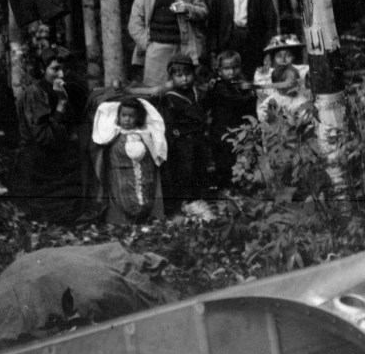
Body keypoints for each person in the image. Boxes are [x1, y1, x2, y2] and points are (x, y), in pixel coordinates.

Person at [12, 45, 86, 223]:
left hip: (60, 160)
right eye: (55, 69)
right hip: (39, 164)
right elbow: (44, 137)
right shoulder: (35, 94)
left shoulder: (65, 89)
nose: (61, 74)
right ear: (42, 69)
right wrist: (61, 105)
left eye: (65, 69)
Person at [91, 96, 166, 225]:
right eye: (124, 115)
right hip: (120, 175)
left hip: (143, 173)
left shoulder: (144, 134)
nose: (127, 119)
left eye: (131, 116)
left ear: (138, 117)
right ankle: (124, 219)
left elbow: (155, 155)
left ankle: (143, 215)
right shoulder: (113, 135)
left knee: (145, 194)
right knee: (122, 195)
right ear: (118, 116)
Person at [159, 54, 209, 213]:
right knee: (185, 170)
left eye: (188, 74)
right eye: (179, 75)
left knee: (200, 167)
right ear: (171, 78)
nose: (185, 79)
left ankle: (199, 199)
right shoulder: (170, 97)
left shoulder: (197, 92)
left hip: (198, 137)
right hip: (182, 141)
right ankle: (185, 202)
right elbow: (168, 122)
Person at [208, 50, 257, 190]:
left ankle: (240, 188)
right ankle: (227, 191)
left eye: (235, 67)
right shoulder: (218, 86)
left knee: (241, 160)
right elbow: (236, 101)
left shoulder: (239, 82)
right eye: (226, 69)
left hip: (238, 129)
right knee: (225, 163)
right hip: (222, 131)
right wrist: (251, 94)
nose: (231, 72)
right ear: (219, 71)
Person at [254, 33, 310, 106]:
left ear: (294, 56)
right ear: (273, 57)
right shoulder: (263, 73)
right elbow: (266, 96)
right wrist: (263, 76)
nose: (283, 60)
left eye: (288, 56)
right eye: (279, 56)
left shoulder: (304, 70)